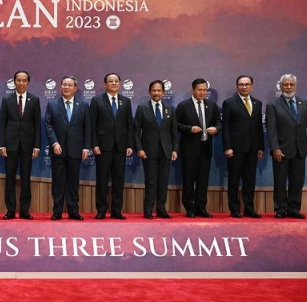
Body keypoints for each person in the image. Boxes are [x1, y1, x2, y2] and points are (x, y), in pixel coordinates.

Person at [266, 74, 307, 219]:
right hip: (281, 150)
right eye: (286, 84)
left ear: (295, 86)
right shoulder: (273, 105)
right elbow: (271, 130)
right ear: (281, 86)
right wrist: (275, 148)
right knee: (280, 182)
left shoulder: (305, 104)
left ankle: (294, 209)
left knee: (297, 182)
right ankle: (280, 209)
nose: (289, 87)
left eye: (291, 84)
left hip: (300, 149)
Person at [45, 76, 91, 220]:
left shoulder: (83, 105)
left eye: (70, 85)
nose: (66, 87)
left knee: (73, 182)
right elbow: (48, 125)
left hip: (76, 150)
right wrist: (54, 143)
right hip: (58, 149)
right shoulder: (52, 104)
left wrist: (86, 148)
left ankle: (73, 211)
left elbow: (87, 128)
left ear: (75, 88)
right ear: (60, 87)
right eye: (64, 84)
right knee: (58, 182)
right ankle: (57, 211)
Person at [0, 70, 41, 220]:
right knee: (9, 178)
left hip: (27, 146)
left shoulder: (34, 100)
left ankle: (24, 210)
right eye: (18, 80)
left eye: (24, 80)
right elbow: (2, 123)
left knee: (25, 178)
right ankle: (10, 210)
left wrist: (36, 146)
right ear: (14, 82)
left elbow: (37, 125)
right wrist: (1, 144)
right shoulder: (7, 99)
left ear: (28, 82)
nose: (21, 83)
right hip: (10, 145)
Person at [90, 73, 133, 220]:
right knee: (102, 179)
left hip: (120, 147)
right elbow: (92, 125)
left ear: (119, 84)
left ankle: (116, 210)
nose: (113, 83)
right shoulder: (96, 100)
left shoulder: (126, 101)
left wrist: (129, 145)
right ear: (105, 84)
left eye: (116, 81)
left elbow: (129, 125)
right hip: (102, 147)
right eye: (110, 81)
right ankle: (101, 210)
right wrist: (94, 144)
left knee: (118, 180)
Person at [175, 78, 221, 218]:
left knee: (203, 180)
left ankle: (201, 207)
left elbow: (218, 122)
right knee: (188, 180)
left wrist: (216, 128)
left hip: (206, 148)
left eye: (204, 90)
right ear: (193, 90)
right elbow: (175, 125)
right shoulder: (184, 106)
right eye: (199, 90)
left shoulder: (211, 105)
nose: (202, 92)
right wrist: (189, 129)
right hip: (189, 150)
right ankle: (189, 208)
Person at [133, 80, 178, 219]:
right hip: (148, 151)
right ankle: (148, 210)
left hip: (166, 151)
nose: (156, 93)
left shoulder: (170, 109)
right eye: (154, 90)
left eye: (159, 91)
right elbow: (136, 131)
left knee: (163, 182)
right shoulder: (142, 108)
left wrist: (175, 150)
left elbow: (174, 132)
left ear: (163, 93)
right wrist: (139, 149)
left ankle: (161, 209)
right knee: (151, 182)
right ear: (149, 92)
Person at [222, 75, 264, 219]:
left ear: (251, 86)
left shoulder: (258, 103)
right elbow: (225, 127)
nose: (244, 87)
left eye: (247, 84)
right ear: (237, 86)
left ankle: (249, 208)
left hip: (252, 149)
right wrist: (227, 147)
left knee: (250, 180)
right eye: (241, 84)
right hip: (235, 149)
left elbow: (259, 127)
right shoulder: (229, 103)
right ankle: (234, 209)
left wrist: (260, 147)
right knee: (233, 180)